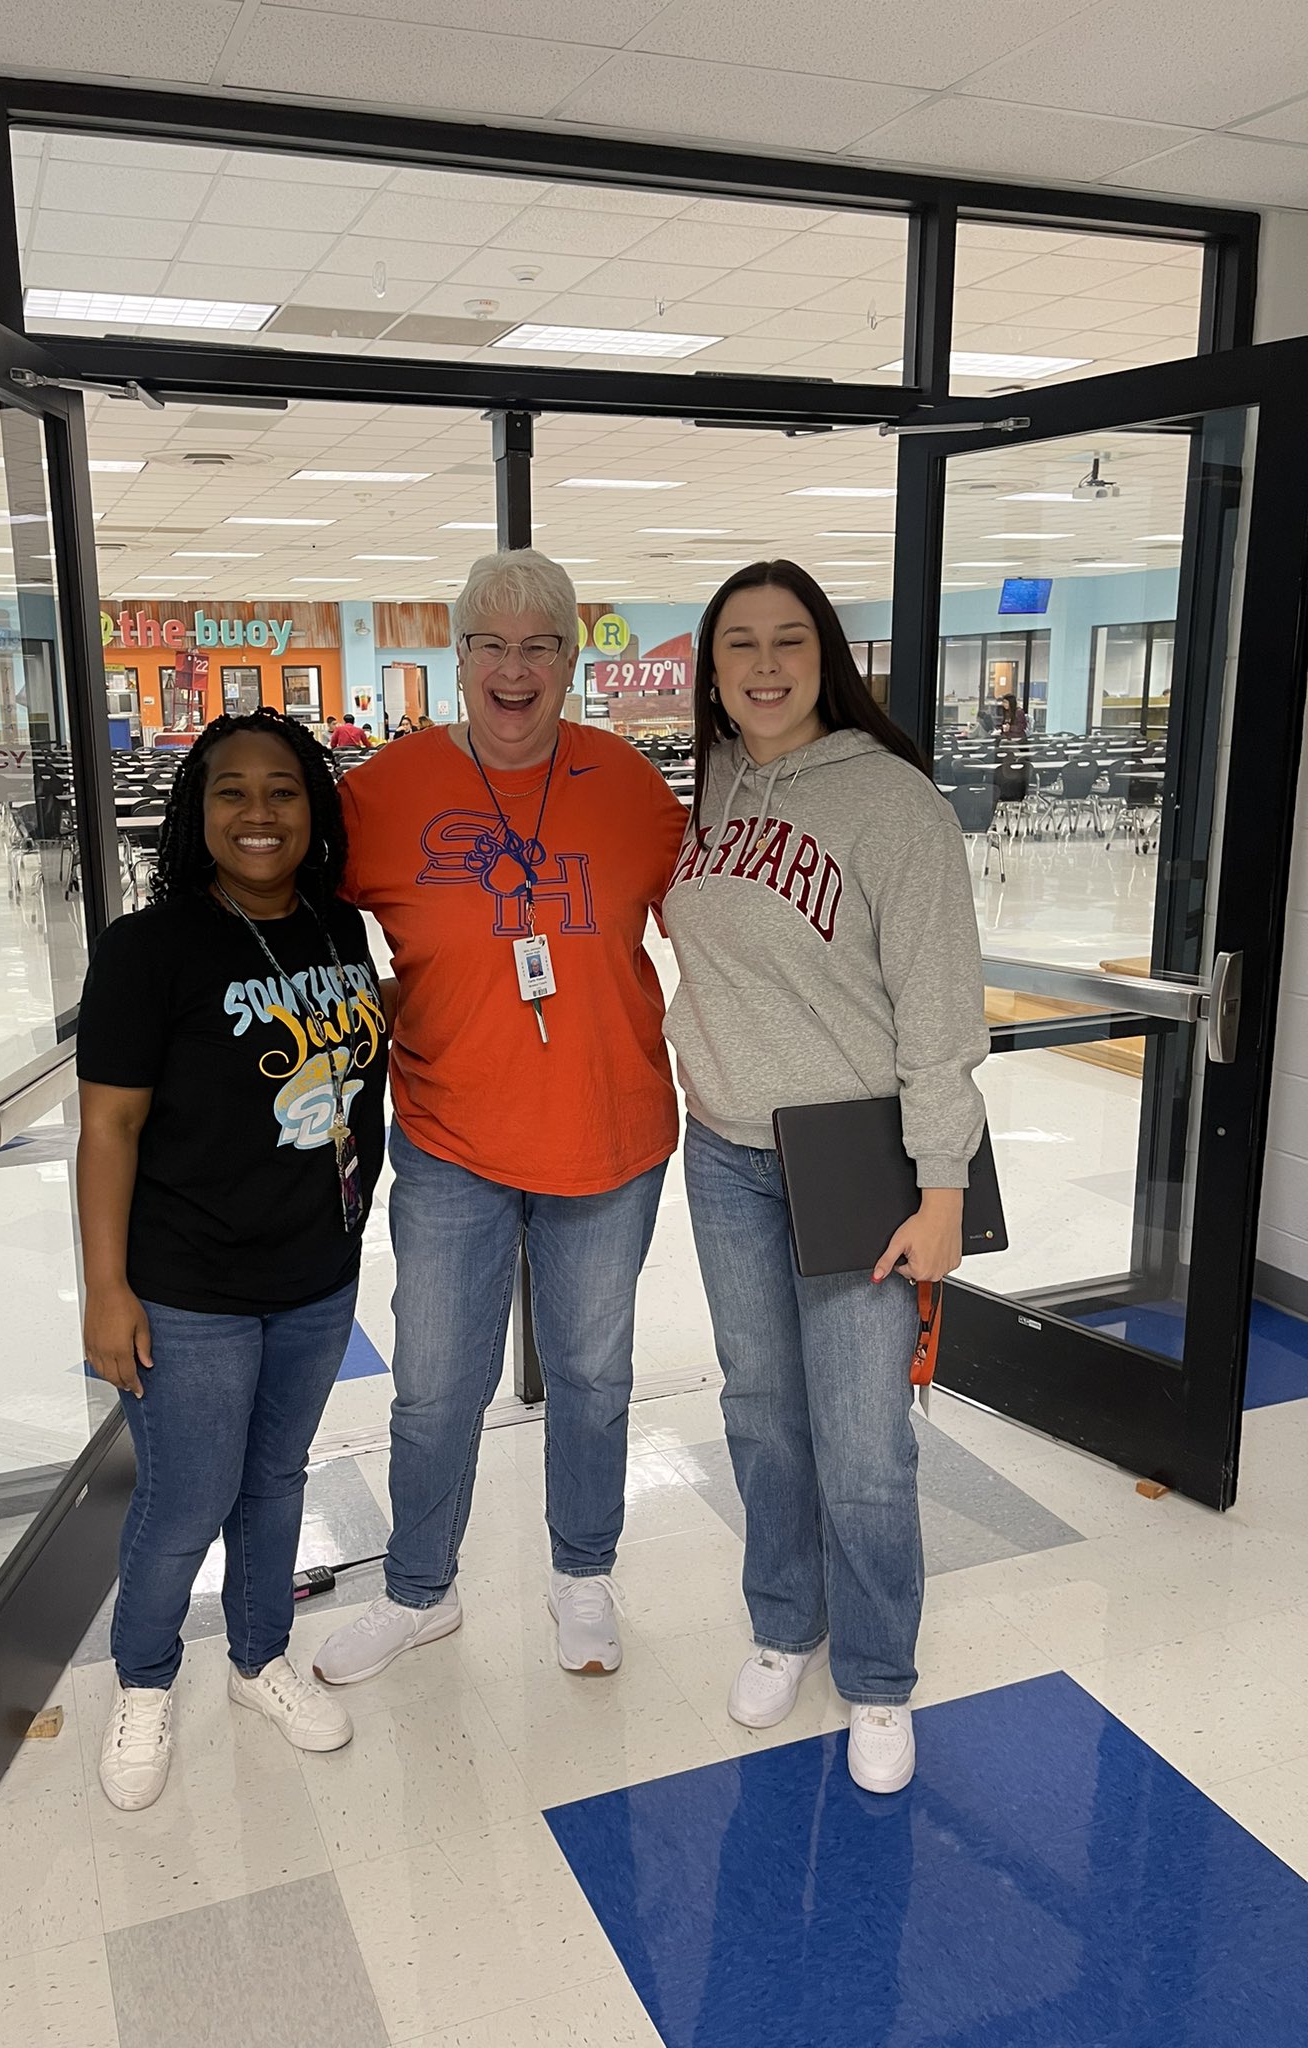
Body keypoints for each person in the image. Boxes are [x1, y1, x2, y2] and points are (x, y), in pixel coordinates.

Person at [312, 549, 687, 1686]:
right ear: (458, 657)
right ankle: (421, 1588)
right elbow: (295, 931)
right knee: (432, 1384)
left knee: (592, 1375)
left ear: (573, 661)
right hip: (450, 1141)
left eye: (540, 645)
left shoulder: (632, 788)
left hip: (609, 1137)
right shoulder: (382, 791)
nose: (514, 669)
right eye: (491, 644)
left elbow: (731, 934)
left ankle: (583, 1575)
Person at [662, 560, 987, 1795]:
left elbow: (941, 1013)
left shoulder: (896, 805)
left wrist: (942, 1185)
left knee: (862, 1442)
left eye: (786, 638)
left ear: (826, 656)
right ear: (710, 666)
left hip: (859, 1164)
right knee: (760, 1412)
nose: (761, 662)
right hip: (730, 1153)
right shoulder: (717, 786)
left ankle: (882, 1675)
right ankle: (782, 1621)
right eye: (736, 641)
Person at [76, 707, 389, 1811]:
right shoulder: (146, 948)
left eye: (283, 790)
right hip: (188, 1281)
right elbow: (107, 1128)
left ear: (316, 808)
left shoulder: (339, 929)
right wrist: (106, 1290)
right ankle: (146, 1679)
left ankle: (259, 1659)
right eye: (231, 791)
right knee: (187, 1495)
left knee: (275, 1480)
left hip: (315, 1273)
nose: (259, 812)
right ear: (196, 812)